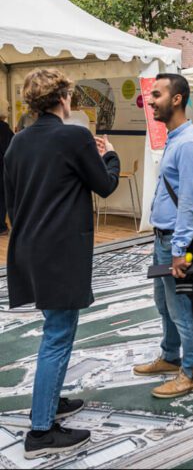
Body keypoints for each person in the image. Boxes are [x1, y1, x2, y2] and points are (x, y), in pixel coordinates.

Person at [4, 69, 120, 459]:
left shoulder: (17, 143)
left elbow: (13, 198)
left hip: (30, 249)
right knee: (57, 333)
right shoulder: (73, 136)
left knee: (56, 327)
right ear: (64, 98)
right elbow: (104, 184)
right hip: (60, 250)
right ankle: (41, 431)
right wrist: (111, 155)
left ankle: (49, 403)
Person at [133, 73, 193, 399]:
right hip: (163, 238)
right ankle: (169, 356)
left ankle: (192, 372)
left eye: (157, 95)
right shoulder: (176, 139)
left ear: (177, 99)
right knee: (164, 303)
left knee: (182, 308)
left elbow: (190, 205)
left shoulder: (189, 145)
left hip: (176, 243)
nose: (150, 101)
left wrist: (179, 250)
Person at [0, 102, 14, 235]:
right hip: (1, 167)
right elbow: (8, 148)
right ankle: (1, 226)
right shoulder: (3, 128)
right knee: (2, 196)